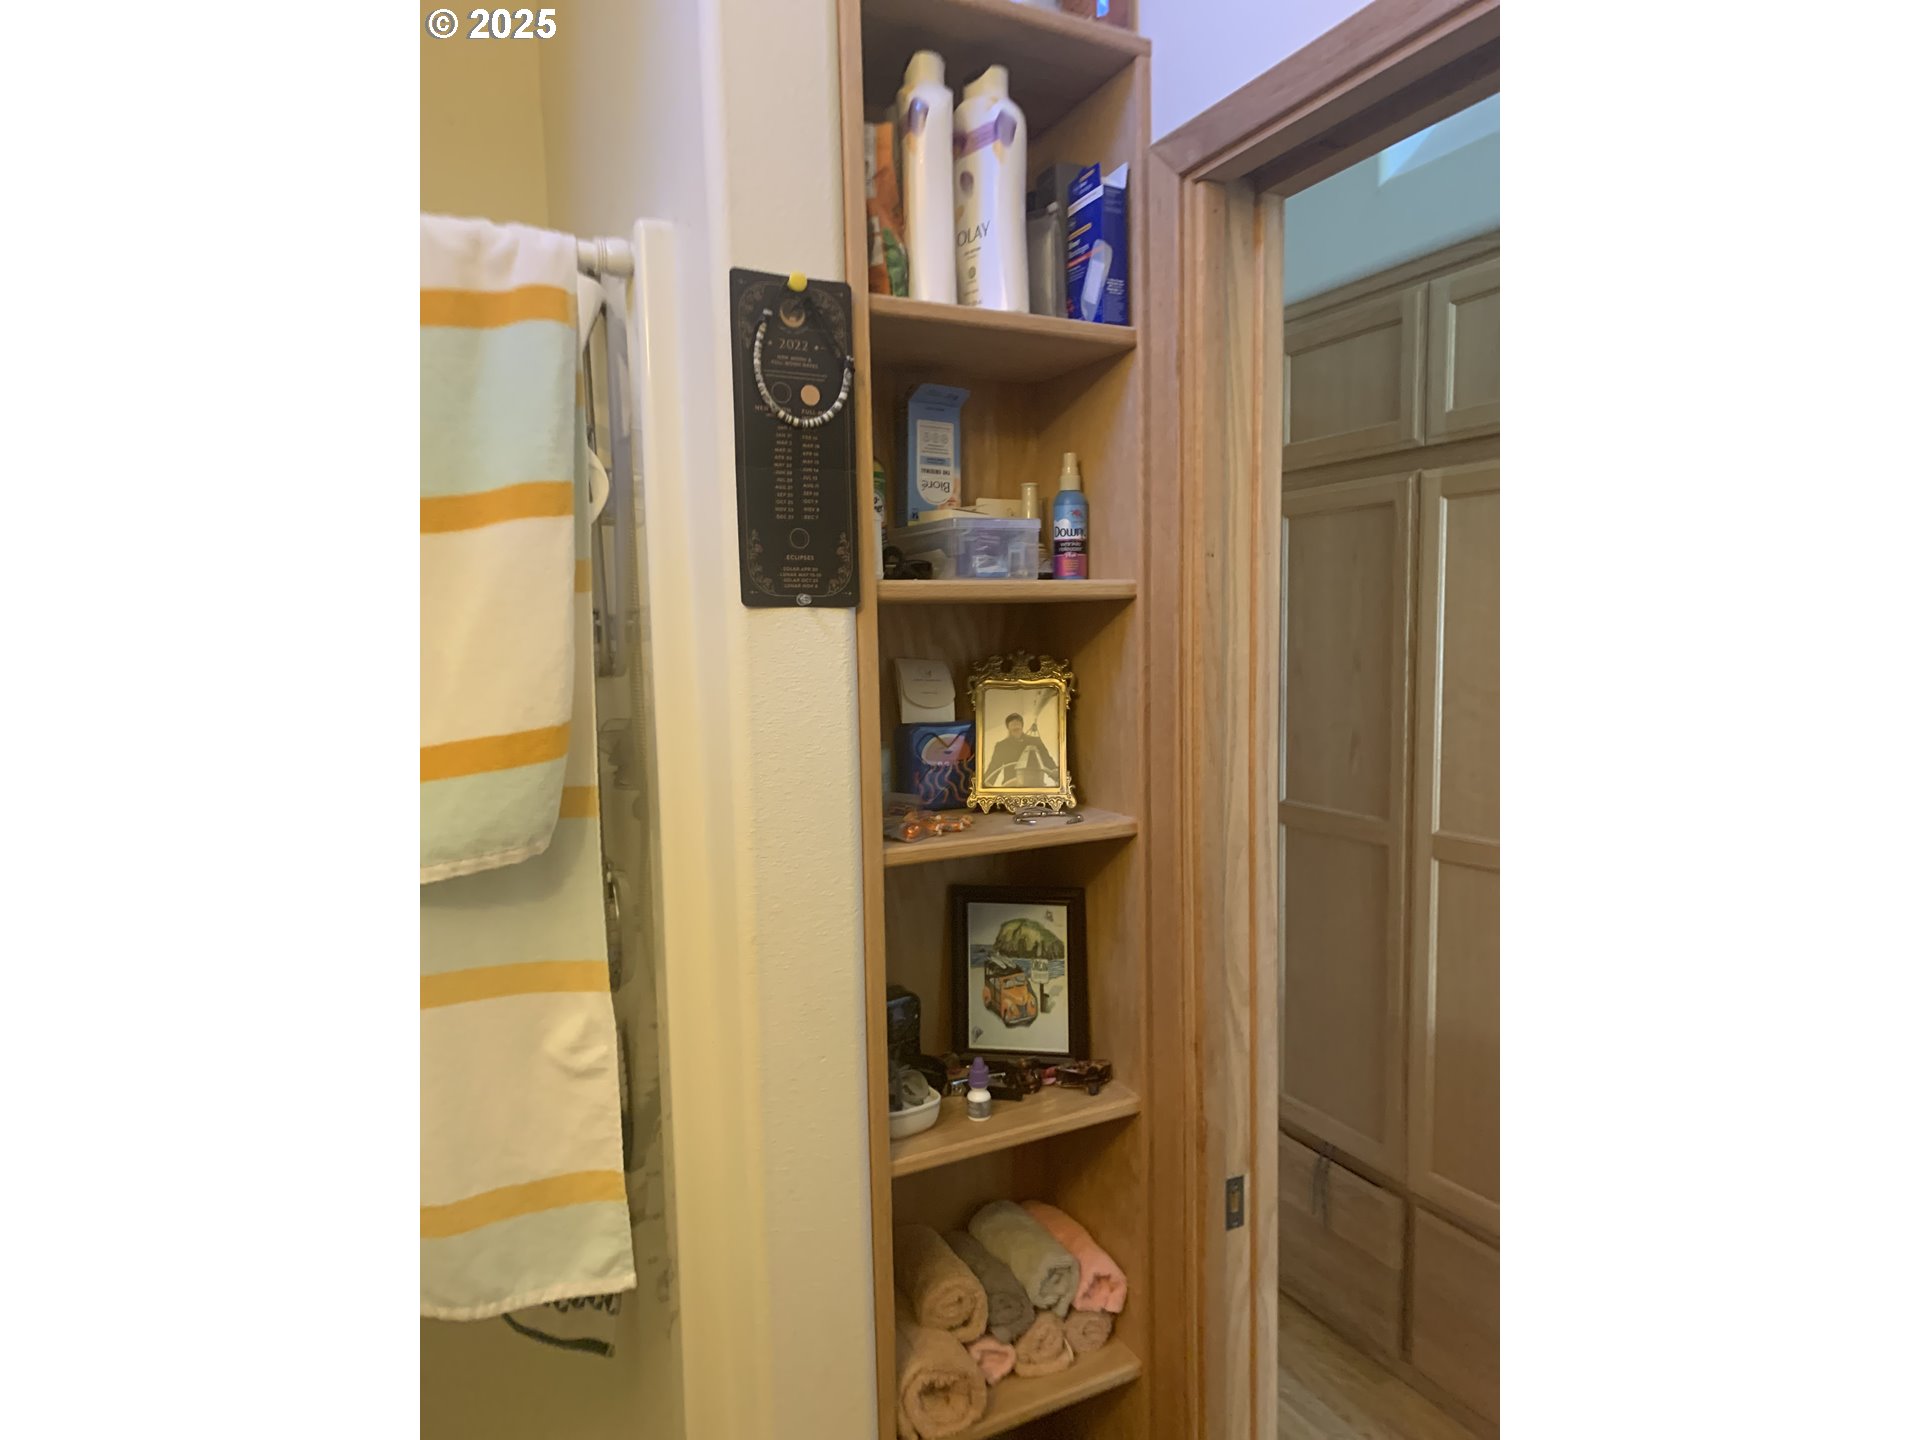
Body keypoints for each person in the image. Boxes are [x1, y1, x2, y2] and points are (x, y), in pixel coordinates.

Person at [984, 710, 1058, 787]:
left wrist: (1055, 772)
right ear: (1008, 727)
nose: (1015, 725)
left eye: (1017, 722)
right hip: (1011, 786)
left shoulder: (1035, 741)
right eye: (1012, 723)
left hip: (1034, 784)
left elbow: (1046, 759)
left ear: (1022, 726)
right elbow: (994, 766)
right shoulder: (1002, 746)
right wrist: (986, 783)